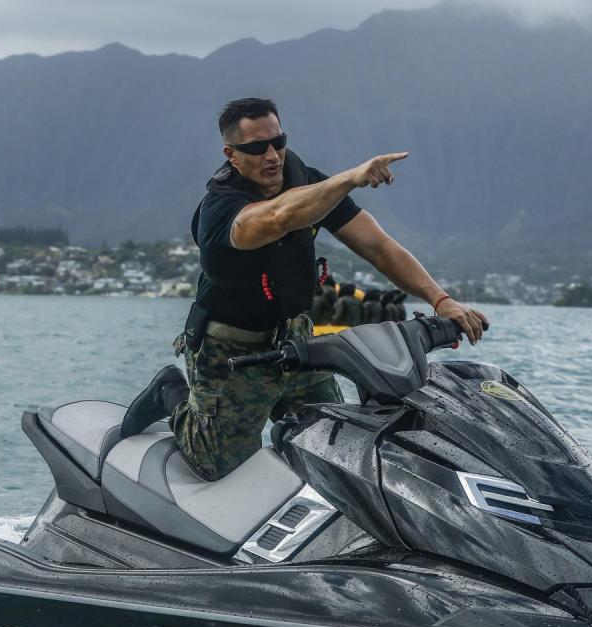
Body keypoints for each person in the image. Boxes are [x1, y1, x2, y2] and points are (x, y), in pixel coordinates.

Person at [121, 97, 488, 481]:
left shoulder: (309, 183)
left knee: (338, 451)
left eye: (278, 142)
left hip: (295, 342)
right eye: (255, 148)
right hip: (231, 352)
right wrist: (348, 178)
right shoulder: (220, 207)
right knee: (216, 469)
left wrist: (441, 300)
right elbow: (280, 217)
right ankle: (172, 393)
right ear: (231, 154)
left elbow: (378, 246)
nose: (272, 155)